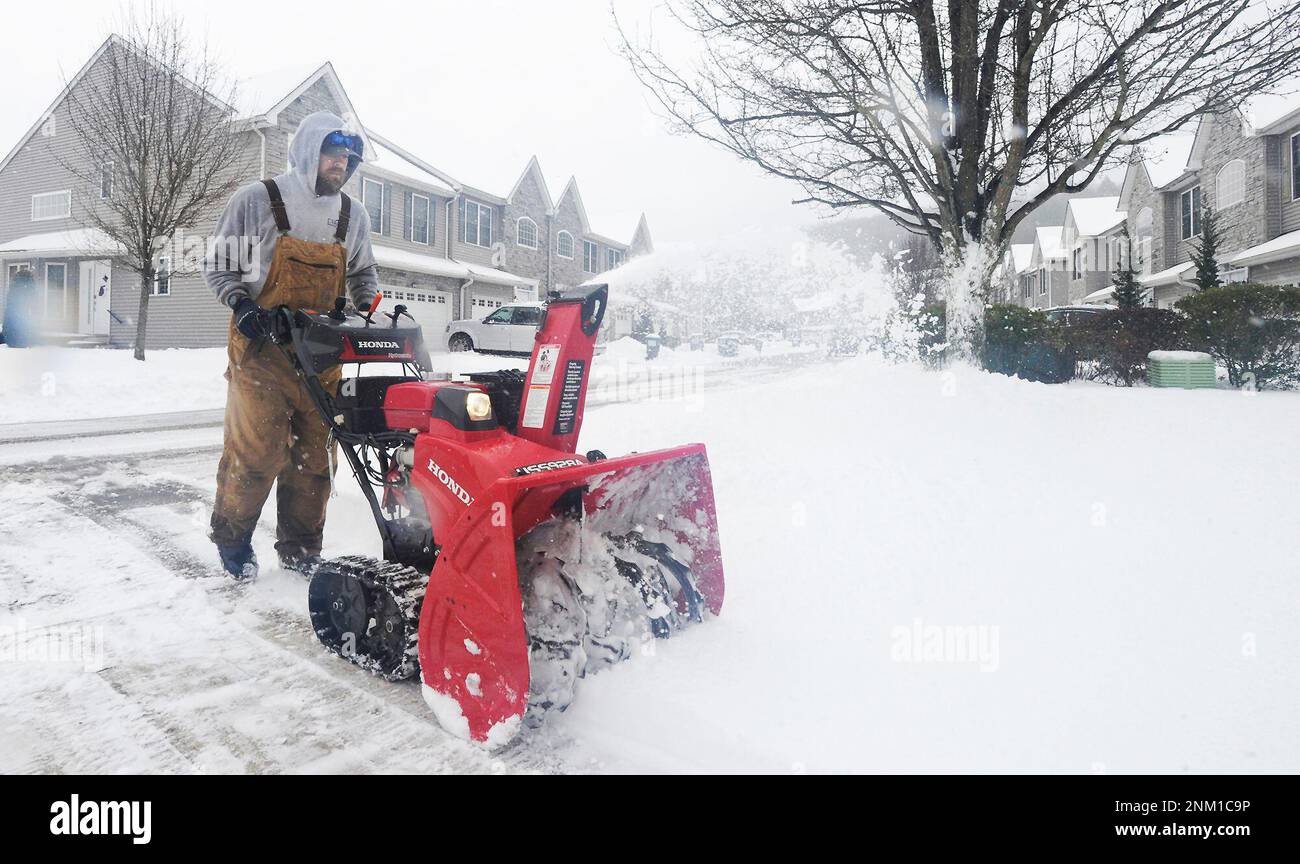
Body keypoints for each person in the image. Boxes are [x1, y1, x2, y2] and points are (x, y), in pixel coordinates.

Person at [204, 111, 378, 580]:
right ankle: (234, 541)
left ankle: (301, 549)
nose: (340, 164)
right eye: (331, 154)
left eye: (346, 157)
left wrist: (371, 309)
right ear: (307, 151)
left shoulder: (351, 215)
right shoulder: (258, 200)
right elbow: (220, 265)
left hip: (322, 357)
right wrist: (241, 305)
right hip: (262, 353)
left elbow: (362, 274)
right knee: (257, 454)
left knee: (315, 462)